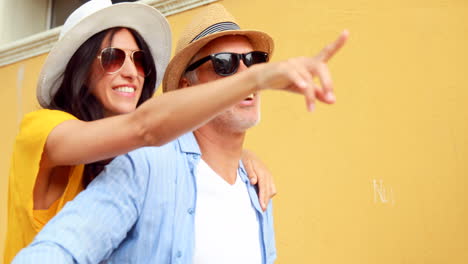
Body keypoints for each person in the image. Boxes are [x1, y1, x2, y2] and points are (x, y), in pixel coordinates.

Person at [12, 3, 348, 264]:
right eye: (112, 57)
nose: (131, 71)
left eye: (140, 59)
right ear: (81, 68)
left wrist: (235, 157)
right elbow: (146, 129)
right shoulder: (45, 130)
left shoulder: (249, 185)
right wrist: (255, 78)